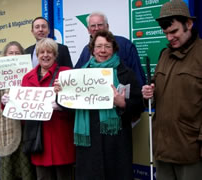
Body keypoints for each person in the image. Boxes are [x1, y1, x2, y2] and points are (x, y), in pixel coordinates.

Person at [55, 30, 144, 180]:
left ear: (114, 49)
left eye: (107, 46)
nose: (103, 51)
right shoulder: (78, 75)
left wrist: (123, 103)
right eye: (99, 46)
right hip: (88, 144)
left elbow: (138, 106)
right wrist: (60, 94)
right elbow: (67, 106)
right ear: (92, 50)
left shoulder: (125, 73)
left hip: (116, 144)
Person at [142, 0, 202, 179]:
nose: (169, 38)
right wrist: (148, 93)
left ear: (189, 24)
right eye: (165, 33)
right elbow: (158, 91)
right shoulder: (164, 54)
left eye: (174, 31)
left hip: (190, 151)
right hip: (162, 150)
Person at [0, 41, 36, 180]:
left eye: (17, 53)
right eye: (11, 53)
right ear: (5, 55)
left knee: (27, 170)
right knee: (8, 171)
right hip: (6, 129)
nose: (14, 56)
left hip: (26, 130)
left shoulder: (30, 73)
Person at [22, 38, 75, 180]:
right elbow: (20, 110)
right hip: (38, 138)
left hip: (61, 136)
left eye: (49, 52)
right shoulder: (27, 78)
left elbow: (78, 103)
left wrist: (63, 101)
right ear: (37, 55)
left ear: (55, 55)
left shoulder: (67, 74)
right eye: (41, 52)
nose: (45, 55)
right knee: (42, 177)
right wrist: (8, 103)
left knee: (64, 176)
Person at [75, 12, 146, 86]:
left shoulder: (125, 44)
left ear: (107, 26)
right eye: (93, 26)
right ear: (88, 29)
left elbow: (137, 74)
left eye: (100, 25)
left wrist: (141, 93)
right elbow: (76, 74)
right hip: (93, 95)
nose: (96, 28)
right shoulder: (86, 50)